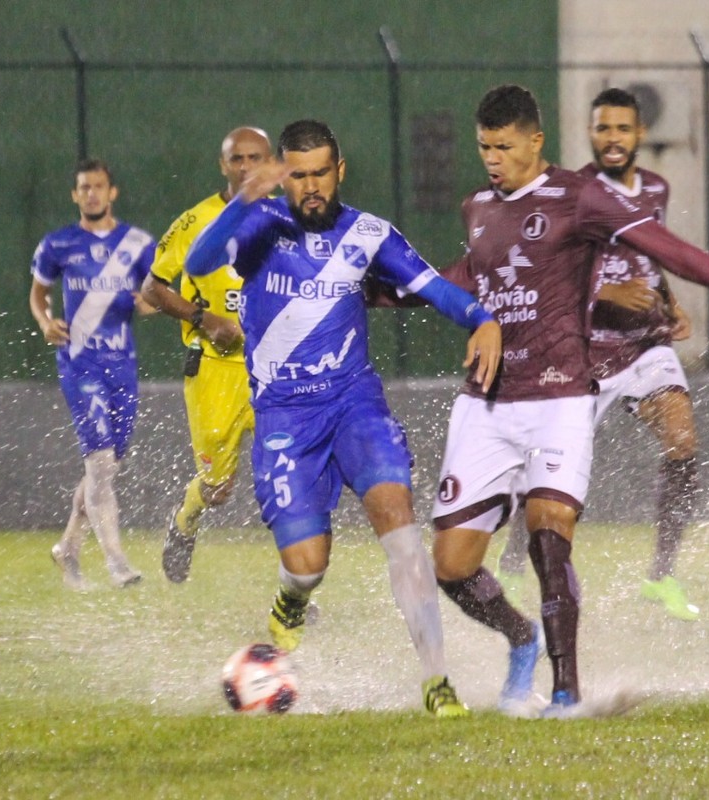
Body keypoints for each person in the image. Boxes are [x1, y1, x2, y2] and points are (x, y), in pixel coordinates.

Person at [433, 85, 709, 716]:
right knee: (450, 566)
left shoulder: (579, 196)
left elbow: (676, 254)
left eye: (504, 146)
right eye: (484, 147)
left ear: (535, 140)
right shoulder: (477, 206)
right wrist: (368, 286)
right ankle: (521, 636)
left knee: (551, 534)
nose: (492, 158)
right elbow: (459, 277)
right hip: (491, 399)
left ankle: (567, 693)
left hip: (563, 391)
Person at [186, 119, 502, 718]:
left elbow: (434, 287)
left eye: (320, 174)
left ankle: (437, 682)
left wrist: (483, 319)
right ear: (284, 175)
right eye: (298, 176)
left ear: (341, 171)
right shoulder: (261, 226)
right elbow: (202, 263)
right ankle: (291, 599)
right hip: (284, 415)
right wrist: (245, 199)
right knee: (307, 566)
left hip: (355, 403)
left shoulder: (369, 233)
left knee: (400, 524)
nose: (310, 187)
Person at [497, 87, 701, 621]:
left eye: (622, 129)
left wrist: (671, 303)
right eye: (602, 129)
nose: (612, 139)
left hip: (643, 346)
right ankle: (513, 568)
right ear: (590, 134)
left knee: (682, 438)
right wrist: (609, 295)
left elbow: (649, 256)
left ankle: (662, 578)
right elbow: (548, 273)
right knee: (545, 471)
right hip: (585, 350)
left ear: (639, 135)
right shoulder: (574, 191)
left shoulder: (655, 188)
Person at [141, 127, 270, 583]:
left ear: (269, 162)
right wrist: (205, 319)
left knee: (290, 480)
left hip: (274, 369)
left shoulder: (286, 215)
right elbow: (152, 287)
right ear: (224, 164)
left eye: (256, 157)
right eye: (237, 158)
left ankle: (296, 585)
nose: (246, 166)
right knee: (218, 488)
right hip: (216, 370)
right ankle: (185, 521)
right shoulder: (197, 221)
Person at [30, 159, 156, 590]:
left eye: (98, 187)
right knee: (100, 462)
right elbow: (38, 294)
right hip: (79, 362)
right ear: (75, 194)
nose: (92, 194)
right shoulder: (58, 244)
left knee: (105, 469)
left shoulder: (137, 243)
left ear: (112, 191)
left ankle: (67, 547)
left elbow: (154, 294)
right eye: (84, 187)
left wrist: (148, 303)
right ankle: (117, 561)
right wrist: (45, 321)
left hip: (122, 363)